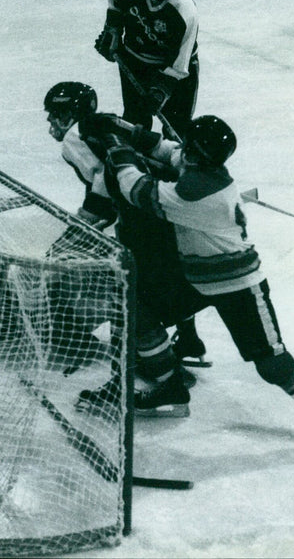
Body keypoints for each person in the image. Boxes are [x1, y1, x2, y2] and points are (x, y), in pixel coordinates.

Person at [104, 114, 294, 460]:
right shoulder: (200, 169)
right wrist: (126, 128)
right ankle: (171, 386)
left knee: (274, 366)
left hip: (239, 287)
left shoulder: (196, 193)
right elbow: (168, 151)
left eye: (189, 147)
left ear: (197, 155)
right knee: (135, 308)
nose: (182, 150)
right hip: (197, 280)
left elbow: (137, 190)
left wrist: (117, 147)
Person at [43, 81, 207, 417]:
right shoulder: (110, 120)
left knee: (128, 293)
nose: (52, 125)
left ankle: (134, 377)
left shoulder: (74, 137)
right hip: (166, 209)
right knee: (164, 281)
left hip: (144, 222)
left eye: (55, 116)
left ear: (69, 114)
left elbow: (105, 180)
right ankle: (188, 341)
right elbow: (163, 147)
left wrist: (81, 227)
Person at [94, 0, 199, 139]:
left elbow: (180, 64)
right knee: (135, 121)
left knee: (177, 127)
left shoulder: (185, 11)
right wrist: (112, 31)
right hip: (135, 60)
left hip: (174, 71)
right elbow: (115, 3)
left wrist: (161, 91)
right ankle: (134, 165)